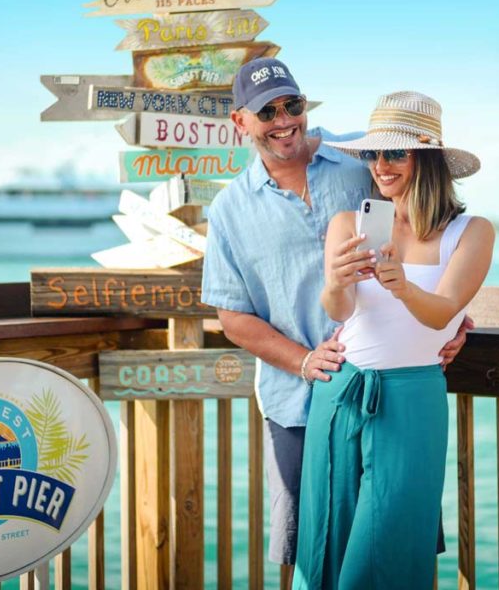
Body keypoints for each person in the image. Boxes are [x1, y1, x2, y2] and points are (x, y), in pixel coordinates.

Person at [201, 60, 470, 585]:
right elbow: (231, 316)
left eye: (292, 105)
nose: (284, 121)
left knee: (394, 546)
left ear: (305, 105)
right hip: (296, 405)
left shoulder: (367, 156)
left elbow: (442, 233)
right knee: (314, 557)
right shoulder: (230, 208)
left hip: (391, 398)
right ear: (241, 122)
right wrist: (302, 361)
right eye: (266, 111)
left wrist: (452, 316)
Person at [293, 91, 495, 590]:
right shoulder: (349, 223)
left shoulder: (471, 232)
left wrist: (402, 285)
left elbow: (444, 314)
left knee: (384, 552)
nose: (380, 166)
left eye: (395, 153)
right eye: (372, 154)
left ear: (425, 159)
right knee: (324, 546)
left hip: (412, 399)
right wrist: (337, 283)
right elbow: (338, 312)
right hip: (341, 392)